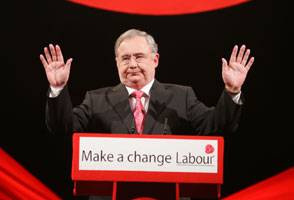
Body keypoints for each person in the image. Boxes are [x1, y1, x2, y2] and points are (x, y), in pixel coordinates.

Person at [40, 29, 254, 199]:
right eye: (125, 58)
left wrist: (232, 91)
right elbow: (62, 128)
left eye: (139, 57)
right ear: (116, 63)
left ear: (155, 60)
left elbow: (216, 127)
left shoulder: (182, 96)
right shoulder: (96, 99)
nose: (132, 64)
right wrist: (57, 89)